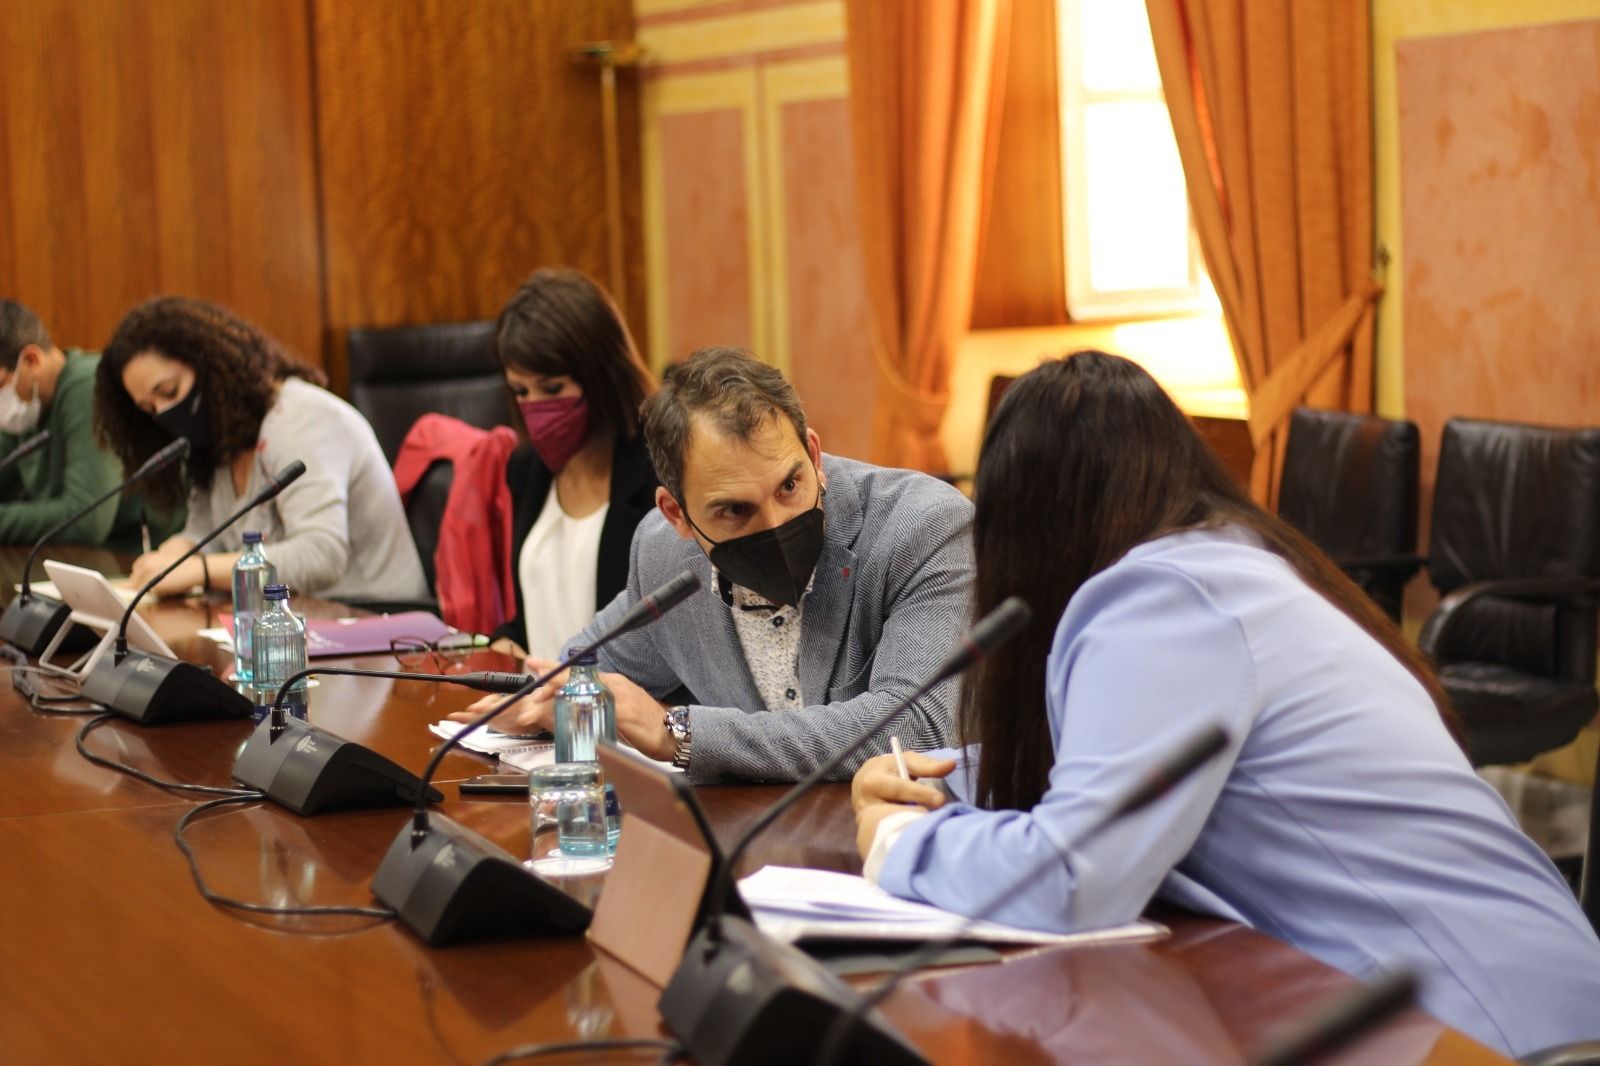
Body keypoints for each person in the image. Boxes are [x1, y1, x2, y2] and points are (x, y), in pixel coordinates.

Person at [850, 352, 1600, 1059]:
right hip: (1461, 994)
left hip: (1484, 1025)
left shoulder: (1165, 600)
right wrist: (943, 774)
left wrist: (895, 845)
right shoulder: (1225, 565)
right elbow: (1115, 762)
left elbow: (1074, 881)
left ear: (1029, 526)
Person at [453, 347, 973, 785]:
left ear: (813, 454)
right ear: (676, 514)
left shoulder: (923, 529)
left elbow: (916, 726)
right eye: (735, 510)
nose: (774, 522)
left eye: (790, 486)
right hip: (747, 850)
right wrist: (542, 703)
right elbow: (585, 671)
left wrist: (678, 734)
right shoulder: (663, 553)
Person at [94, 296, 428, 603]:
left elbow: (321, 555)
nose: (166, 414)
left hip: (372, 622)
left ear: (210, 363)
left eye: (169, 391)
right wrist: (177, 553)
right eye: (151, 410)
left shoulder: (301, 420)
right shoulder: (221, 439)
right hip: (291, 622)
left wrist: (202, 570)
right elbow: (205, 532)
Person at [485, 269, 657, 662]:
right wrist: (504, 642)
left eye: (552, 389)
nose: (535, 407)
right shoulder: (527, 470)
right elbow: (534, 617)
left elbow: (671, 636)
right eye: (520, 391)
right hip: (537, 709)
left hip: (618, 711)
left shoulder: (657, 474)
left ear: (599, 373)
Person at [0, 300, 175, 548]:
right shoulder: (23, 410)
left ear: (31, 361)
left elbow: (86, 519)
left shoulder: (87, 386)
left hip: (144, 558)